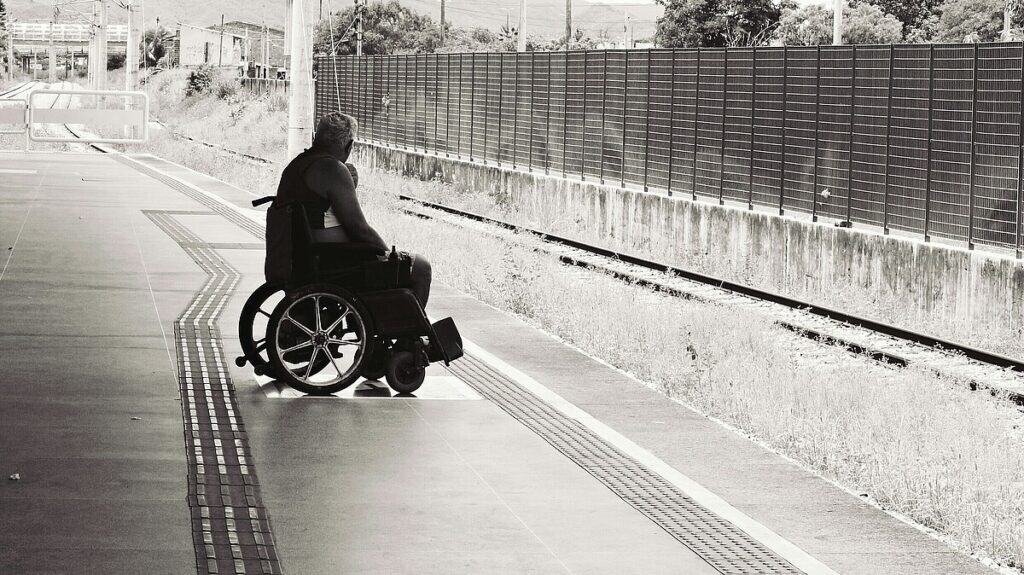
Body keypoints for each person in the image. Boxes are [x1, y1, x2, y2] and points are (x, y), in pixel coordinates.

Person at [274, 112, 433, 307]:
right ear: (349, 145)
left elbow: (321, 208)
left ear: (316, 137)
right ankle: (409, 332)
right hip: (333, 262)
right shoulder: (333, 169)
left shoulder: (297, 165)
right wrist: (388, 255)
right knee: (420, 267)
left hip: (299, 257)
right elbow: (359, 229)